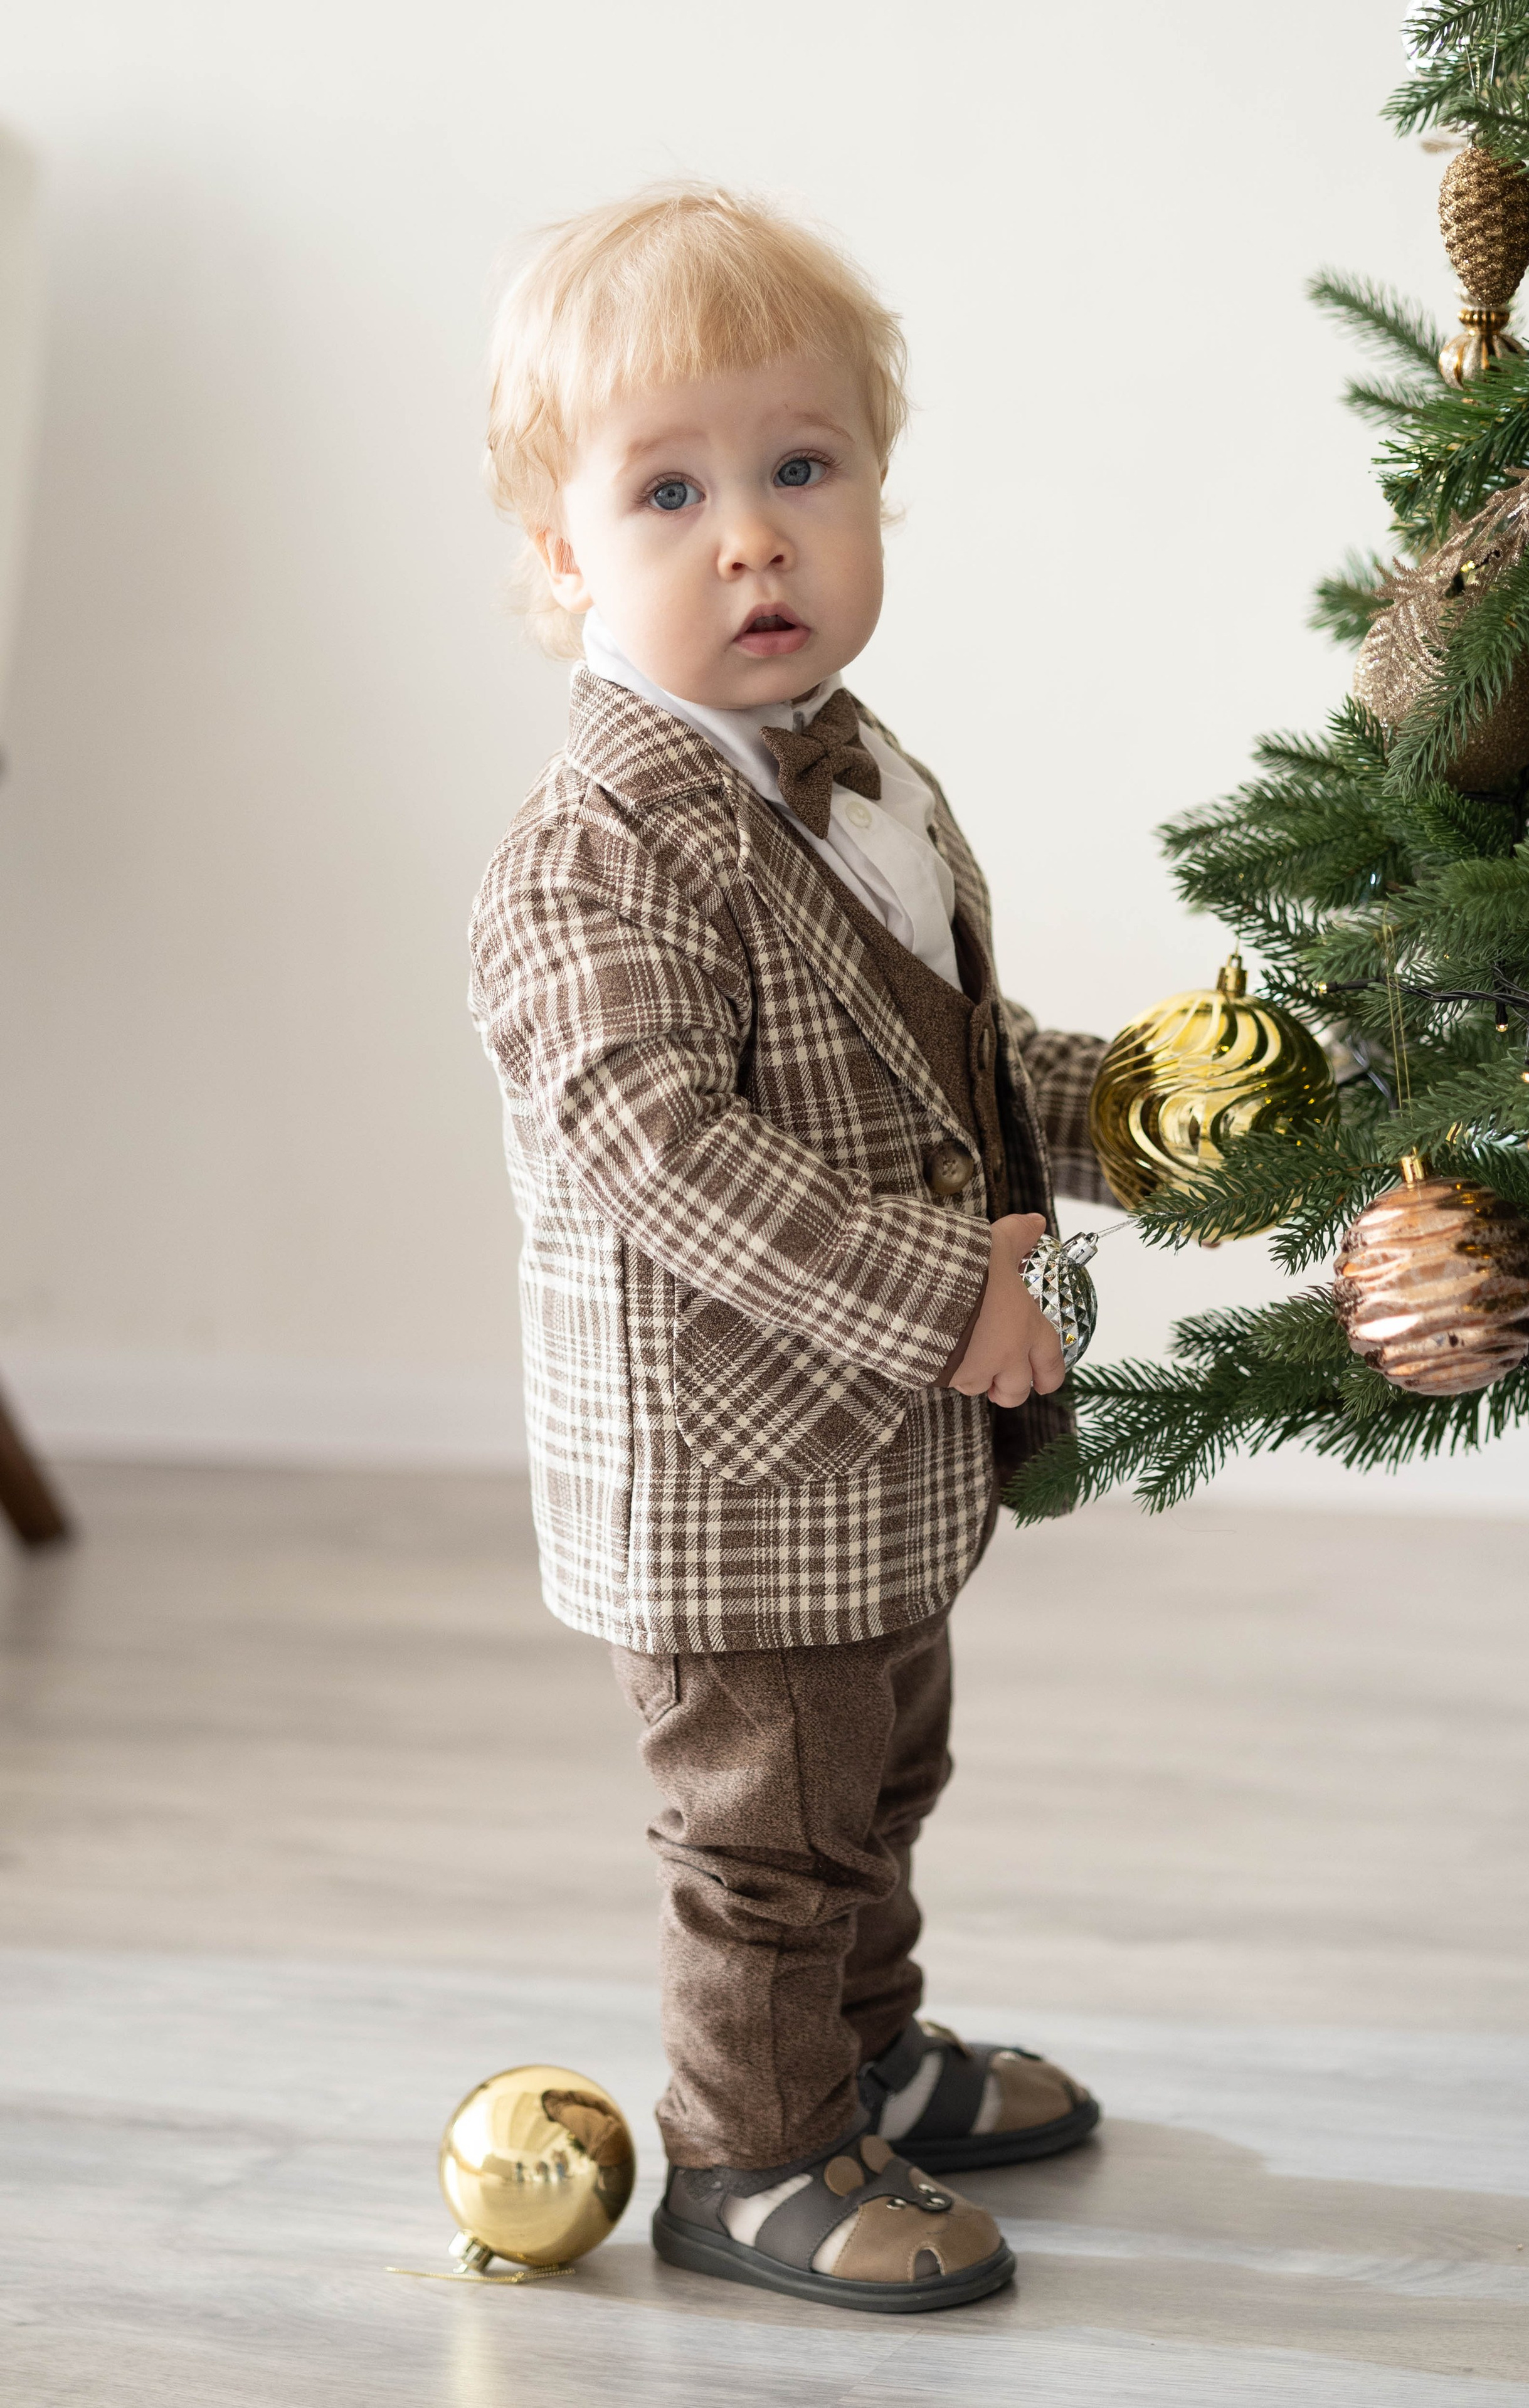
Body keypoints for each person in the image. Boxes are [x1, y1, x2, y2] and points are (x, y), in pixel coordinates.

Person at [471, 184, 1109, 2313]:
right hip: (735, 1470)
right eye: (670, 490)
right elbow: (664, 1154)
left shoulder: (858, 783)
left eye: (800, 468)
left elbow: (952, 1066)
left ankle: (864, 2060)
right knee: (771, 1828)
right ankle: (749, 2157)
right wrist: (959, 1296)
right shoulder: (601, 849)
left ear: (874, 500)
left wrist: (1139, 1120)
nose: (752, 535)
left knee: (885, 1764)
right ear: (564, 560)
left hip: (874, 1461)